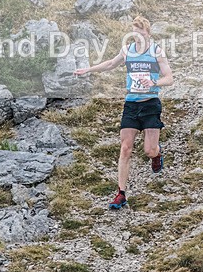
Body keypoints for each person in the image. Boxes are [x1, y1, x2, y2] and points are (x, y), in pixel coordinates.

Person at [73, 16, 173, 210]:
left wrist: (154, 82)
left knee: (149, 150)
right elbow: (111, 63)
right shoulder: (127, 50)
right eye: (135, 33)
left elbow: (169, 78)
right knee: (126, 148)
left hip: (151, 104)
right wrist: (88, 70)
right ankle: (121, 194)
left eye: (141, 33)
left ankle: (156, 155)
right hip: (131, 105)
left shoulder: (156, 51)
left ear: (148, 34)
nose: (138, 37)